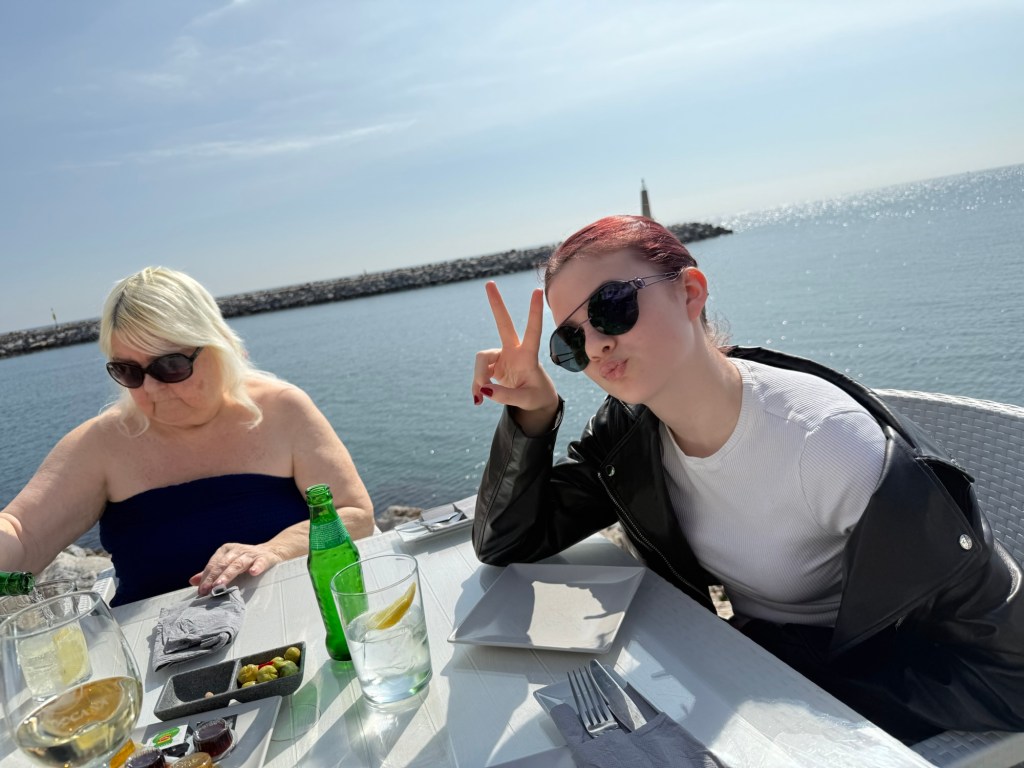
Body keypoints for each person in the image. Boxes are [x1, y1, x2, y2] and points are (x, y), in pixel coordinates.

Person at [470, 215, 1024, 742]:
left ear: (690, 292)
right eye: (570, 341)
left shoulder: (829, 445)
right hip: (735, 666)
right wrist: (533, 416)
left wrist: (782, 684)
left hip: (837, 687)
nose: (595, 346)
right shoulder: (627, 434)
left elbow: (1010, 675)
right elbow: (508, 541)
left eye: (612, 308)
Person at [0, 267, 374, 606]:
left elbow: (355, 514)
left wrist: (273, 550)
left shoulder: (282, 410)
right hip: (154, 649)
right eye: (129, 371)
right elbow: (21, 533)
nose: (150, 388)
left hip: (291, 625)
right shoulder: (101, 445)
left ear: (218, 345)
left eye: (170, 365)